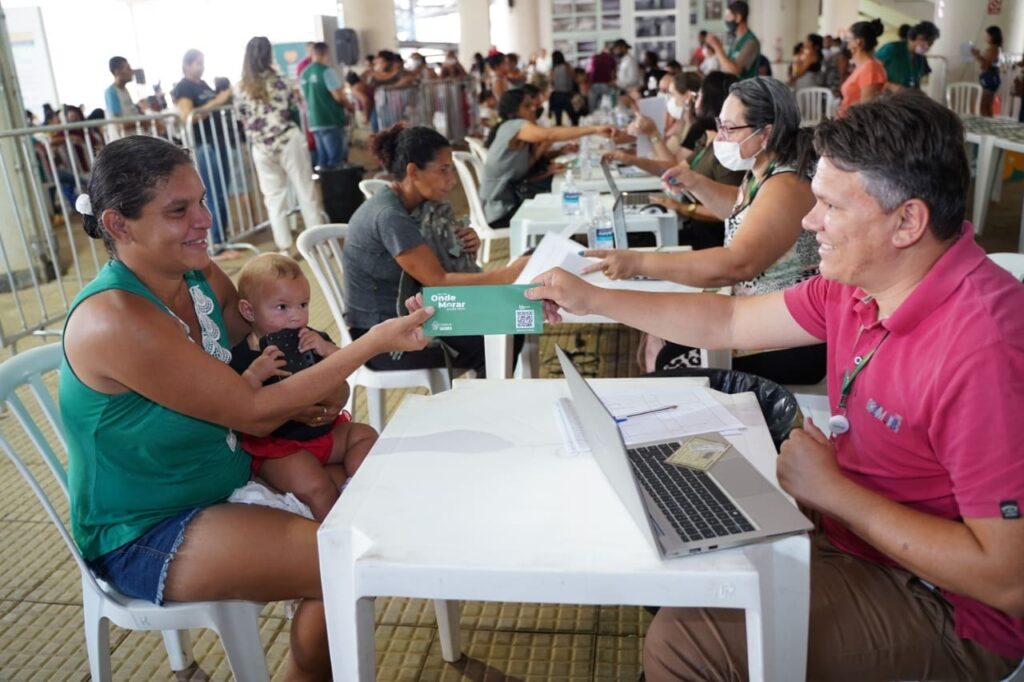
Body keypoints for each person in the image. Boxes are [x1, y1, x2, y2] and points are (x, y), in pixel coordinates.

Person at [527, 92, 1024, 682]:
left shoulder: (986, 349)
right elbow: (730, 321)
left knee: (685, 644)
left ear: (907, 221)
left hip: (946, 604)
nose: (809, 223)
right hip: (849, 530)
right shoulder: (856, 284)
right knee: (669, 537)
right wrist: (593, 301)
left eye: (830, 207)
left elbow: (1008, 580)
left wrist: (833, 492)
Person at [60, 135, 434, 681]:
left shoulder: (199, 278)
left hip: (231, 475)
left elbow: (271, 357)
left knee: (387, 493)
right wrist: (371, 343)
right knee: (346, 560)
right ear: (119, 225)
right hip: (146, 526)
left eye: (203, 200)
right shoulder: (114, 318)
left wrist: (325, 387)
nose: (205, 220)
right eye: (179, 210)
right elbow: (255, 410)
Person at [587, 77, 824, 382]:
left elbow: (737, 263)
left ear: (766, 132)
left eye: (729, 128)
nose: (720, 137)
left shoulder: (786, 185)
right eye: (719, 126)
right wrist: (696, 182)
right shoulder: (763, 171)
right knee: (656, 335)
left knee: (669, 358)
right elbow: (741, 209)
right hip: (756, 316)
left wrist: (639, 262)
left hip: (786, 337)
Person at [343, 125, 528, 377]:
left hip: (414, 314)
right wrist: (509, 274)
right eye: (443, 170)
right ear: (412, 171)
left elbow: (436, 266)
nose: (451, 180)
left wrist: (462, 245)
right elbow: (439, 281)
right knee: (497, 335)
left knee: (508, 322)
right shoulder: (390, 216)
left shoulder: (415, 207)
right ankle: (481, 410)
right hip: (382, 339)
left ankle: (486, 403)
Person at [228, 254, 377, 521]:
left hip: (326, 433)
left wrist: (329, 350)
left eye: (303, 304)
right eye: (282, 307)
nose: (297, 316)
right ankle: (337, 532)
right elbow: (237, 403)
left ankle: (359, 486)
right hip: (279, 447)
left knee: (366, 435)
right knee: (317, 487)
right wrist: (254, 374)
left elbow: (346, 369)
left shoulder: (313, 338)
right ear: (249, 311)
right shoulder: (243, 356)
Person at [607, 71, 745, 250]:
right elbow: (673, 169)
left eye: (700, 96)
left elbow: (731, 208)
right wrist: (629, 159)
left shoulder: (727, 152)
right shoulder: (706, 140)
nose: (695, 101)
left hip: (708, 240)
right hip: (692, 226)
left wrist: (681, 207)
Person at [234, 36, 323, 254]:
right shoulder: (282, 80)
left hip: (261, 146)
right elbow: (294, 106)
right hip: (287, 138)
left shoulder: (239, 88)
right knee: (305, 190)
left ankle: (284, 248)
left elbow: (240, 116)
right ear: (268, 54)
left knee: (274, 199)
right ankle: (319, 244)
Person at [479, 89, 615, 226]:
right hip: (500, 211)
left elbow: (523, 169)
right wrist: (594, 129)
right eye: (527, 106)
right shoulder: (514, 126)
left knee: (566, 203)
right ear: (512, 112)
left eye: (533, 105)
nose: (534, 109)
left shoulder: (511, 130)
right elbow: (549, 135)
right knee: (565, 208)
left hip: (507, 203)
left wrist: (546, 171)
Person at [171, 49, 233, 254]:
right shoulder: (184, 87)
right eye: (197, 63)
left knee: (222, 191)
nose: (201, 67)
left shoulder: (203, 85)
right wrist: (219, 100)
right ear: (187, 65)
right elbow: (188, 115)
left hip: (218, 142)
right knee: (212, 193)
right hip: (203, 144)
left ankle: (223, 237)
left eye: (202, 63)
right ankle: (216, 242)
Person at [300, 42, 353, 169]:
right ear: (326, 53)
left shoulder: (304, 73)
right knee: (335, 159)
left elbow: (304, 97)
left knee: (322, 158)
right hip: (331, 118)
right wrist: (349, 106)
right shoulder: (327, 71)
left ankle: (326, 187)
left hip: (314, 121)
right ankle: (338, 187)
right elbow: (338, 96)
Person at [839, 19, 886, 115]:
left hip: (854, 126)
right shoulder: (862, 66)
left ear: (858, 42)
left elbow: (866, 110)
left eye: (848, 37)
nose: (846, 41)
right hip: (846, 123)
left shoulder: (871, 68)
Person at [876, 20, 940, 91]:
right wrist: (889, 85)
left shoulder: (920, 58)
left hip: (906, 98)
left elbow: (916, 83)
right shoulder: (892, 49)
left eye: (930, 44)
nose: (928, 47)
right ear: (919, 37)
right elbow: (873, 71)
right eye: (929, 43)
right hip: (885, 97)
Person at [704, 1, 761, 80]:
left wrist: (717, 46)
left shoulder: (750, 42)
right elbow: (726, 65)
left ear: (738, 17)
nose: (726, 20)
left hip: (745, 90)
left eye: (728, 16)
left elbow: (734, 70)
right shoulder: (735, 40)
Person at [973, 26, 1004, 117]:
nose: (986, 38)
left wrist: (977, 55)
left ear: (993, 36)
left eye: (988, 36)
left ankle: (988, 123)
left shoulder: (994, 49)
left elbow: (985, 65)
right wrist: (978, 56)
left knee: (985, 105)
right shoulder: (994, 48)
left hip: (991, 78)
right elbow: (987, 64)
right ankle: (987, 122)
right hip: (990, 77)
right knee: (986, 104)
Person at [548, 51, 579, 126]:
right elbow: (574, 78)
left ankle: (560, 134)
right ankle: (576, 133)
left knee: (558, 119)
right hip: (566, 94)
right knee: (573, 117)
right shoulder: (567, 66)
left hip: (557, 95)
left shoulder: (553, 69)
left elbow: (551, 82)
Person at [588, 45, 617, 113]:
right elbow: (613, 72)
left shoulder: (595, 57)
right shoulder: (611, 59)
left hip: (594, 84)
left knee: (593, 107)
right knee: (607, 106)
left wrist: (589, 84)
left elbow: (590, 71)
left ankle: (593, 121)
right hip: (606, 84)